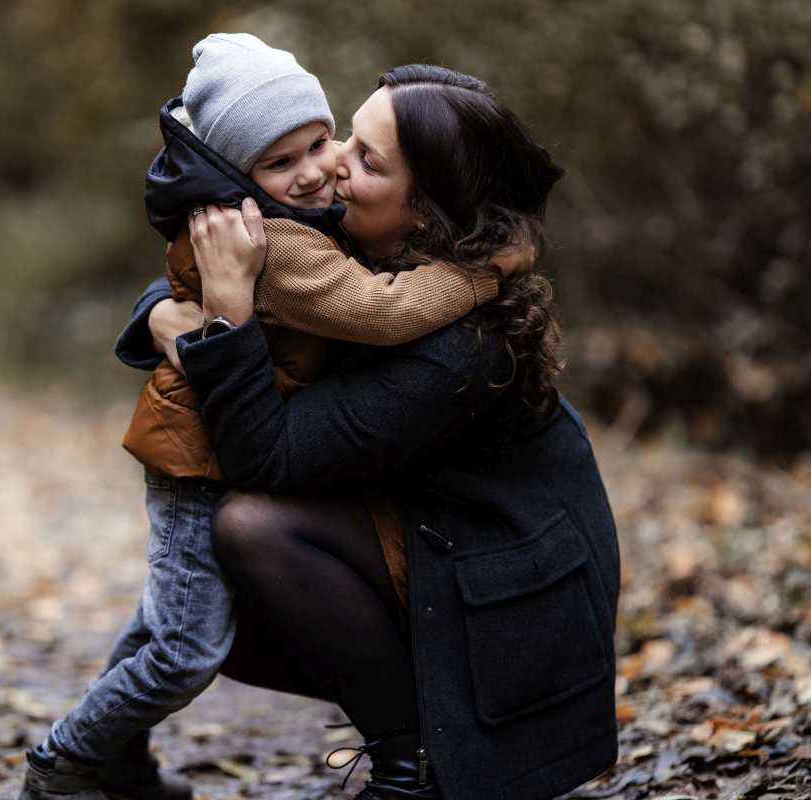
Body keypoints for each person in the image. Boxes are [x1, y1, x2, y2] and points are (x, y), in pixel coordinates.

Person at [20, 35, 527, 800]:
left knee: (164, 618)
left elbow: (182, 284)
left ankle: (114, 759)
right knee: (187, 648)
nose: (318, 168)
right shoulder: (269, 236)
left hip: (214, 445)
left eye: (321, 142)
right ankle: (63, 761)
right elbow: (376, 311)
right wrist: (481, 275)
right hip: (200, 460)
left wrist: (160, 311)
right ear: (236, 177)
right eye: (281, 162)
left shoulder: (277, 213)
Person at [123, 65, 621, 799]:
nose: (334, 164)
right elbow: (234, 269)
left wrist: (225, 319)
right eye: (347, 135)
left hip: (514, 597)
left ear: (423, 208)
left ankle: (408, 761)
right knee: (203, 578)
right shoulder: (369, 243)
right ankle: (113, 747)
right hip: (439, 530)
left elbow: (266, 455)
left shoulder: (462, 342)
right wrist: (162, 315)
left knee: (248, 532)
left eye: (367, 158)